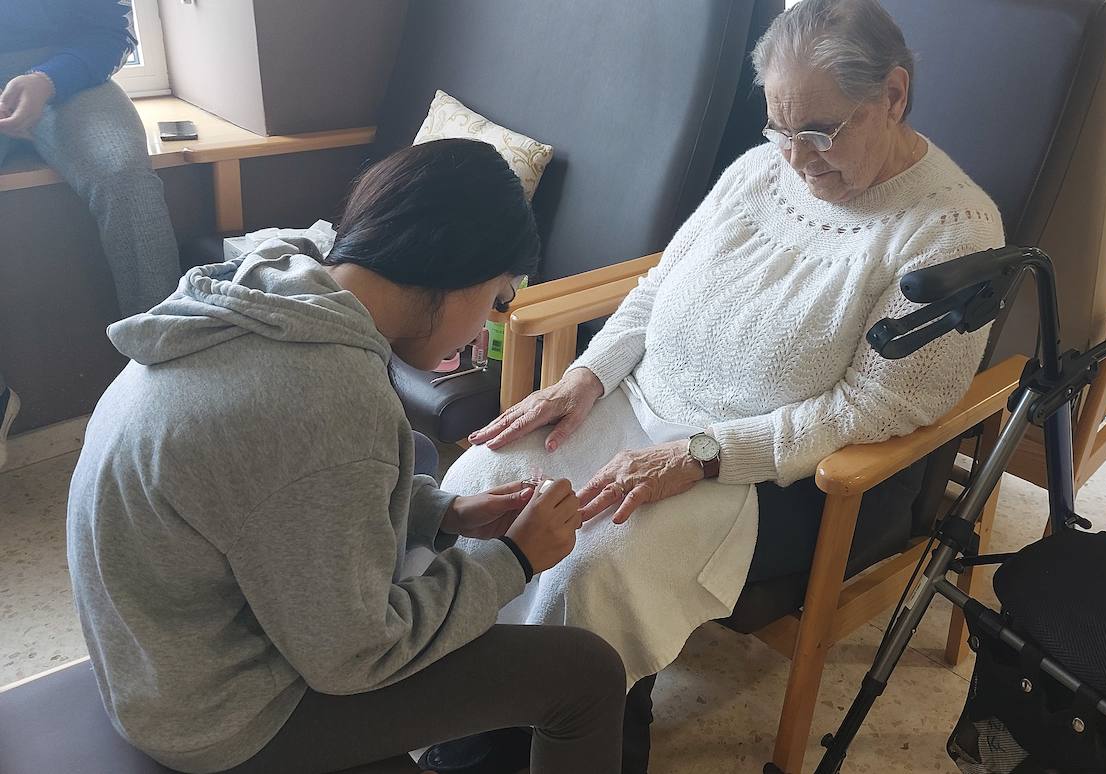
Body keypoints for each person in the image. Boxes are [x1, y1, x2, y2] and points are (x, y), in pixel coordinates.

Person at [440, 0, 1002, 770]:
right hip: (635, 402)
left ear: (893, 97)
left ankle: (572, 743)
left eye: (819, 133)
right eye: (780, 127)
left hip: (765, 475)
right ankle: (470, 734)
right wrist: (584, 378)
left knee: (591, 568)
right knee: (479, 486)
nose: (795, 159)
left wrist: (700, 455)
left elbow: (875, 404)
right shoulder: (757, 170)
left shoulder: (951, 230)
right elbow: (658, 285)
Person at [66, 139, 625, 774]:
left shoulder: (282, 279)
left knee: (410, 451)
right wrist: (516, 559)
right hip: (219, 717)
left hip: (154, 656)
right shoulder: (324, 397)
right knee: (586, 675)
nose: (485, 331)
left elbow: (271, 482)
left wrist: (446, 512)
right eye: (497, 300)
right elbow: (357, 658)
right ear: (457, 268)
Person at [0, 0, 184, 464]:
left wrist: (48, 79)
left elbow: (110, 33)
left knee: (126, 179)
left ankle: (171, 377)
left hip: (64, 72)